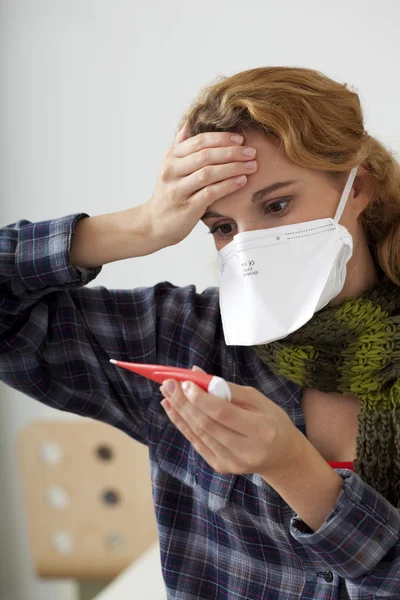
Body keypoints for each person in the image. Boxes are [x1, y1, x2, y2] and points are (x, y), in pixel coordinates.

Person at [1, 66, 400, 599]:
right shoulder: (182, 339)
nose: (250, 244)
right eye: (222, 228)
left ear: (359, 188)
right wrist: (139, 227)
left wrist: (297, 473)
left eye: (277, 205)